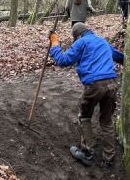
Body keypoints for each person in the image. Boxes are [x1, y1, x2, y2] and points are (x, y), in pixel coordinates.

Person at [49, 22, 124, 167]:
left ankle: (87, 152)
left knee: (85, 117)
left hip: (94, 85)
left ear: (77, 36)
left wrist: (54, 43)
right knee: (106, 120)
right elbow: (121, 58)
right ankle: (109, 159)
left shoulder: (81, 42)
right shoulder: (103, 41)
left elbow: (63, 61)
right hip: (112, 84)